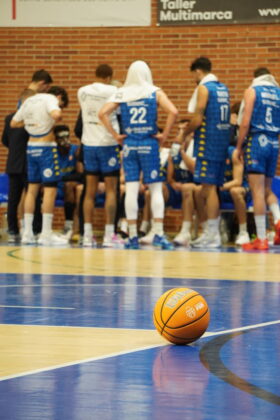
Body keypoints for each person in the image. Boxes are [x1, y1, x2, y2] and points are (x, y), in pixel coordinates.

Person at [98, 60, 178, 250]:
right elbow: (173, 111)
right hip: (149, 143)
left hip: (129, 145)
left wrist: (116, 135)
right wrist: (164, 135)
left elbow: (102, 113)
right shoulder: (154, 91)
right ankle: (158, 233)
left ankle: (132, 236)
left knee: (131, 189)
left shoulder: (122, 93)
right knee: (156, 188)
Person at [10, 85, 69, 245]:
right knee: (50, 190)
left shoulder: (29, 101)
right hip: (46, 150)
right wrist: (55, 115)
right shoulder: (50, 99)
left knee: (31, 190)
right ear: (57, 97)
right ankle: (46, 233)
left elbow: (14, 123)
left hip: (31, 148)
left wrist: (33, 124)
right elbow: (57, 115)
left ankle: (27, 233)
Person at [182, 56, 231, 248]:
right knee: (208, 190)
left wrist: (183, 134)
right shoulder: (223, 88)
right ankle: (210, 231)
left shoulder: (204, 88)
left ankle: (213, 235)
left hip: (208, 142)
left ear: (198, 71)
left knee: (209, 189)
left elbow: (197, 119)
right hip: (221, 142)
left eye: (193, 74)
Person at [78, 64, 123, 248]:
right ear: (109, 77)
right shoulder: (115, 90)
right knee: (112, 190)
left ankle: (87, 235)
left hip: (89, 143)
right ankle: (109, 234)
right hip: (108, 143)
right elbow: (118, 112)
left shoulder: (82, 91)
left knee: (89, 191)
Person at [237, 67, 280, 250]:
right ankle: (278, 220)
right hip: (274, 142)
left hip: (257, 140)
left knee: (257, 191)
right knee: (267, 189)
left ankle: (261, 238)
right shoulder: (278, 92)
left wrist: (239, 146)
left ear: (255, 77)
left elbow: (245, 121)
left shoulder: (253, 90)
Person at [54, 125, 83, 240]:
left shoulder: (75, 150)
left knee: (69, 185)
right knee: (40, 189)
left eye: (67, 136)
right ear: (56, 139)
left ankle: (69, 224)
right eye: (61, 138)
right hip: (54, 186)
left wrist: (64, 178)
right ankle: (38, 228)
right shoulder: (52, 152)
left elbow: (80, 174)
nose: (65, 140)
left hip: (68, 186)